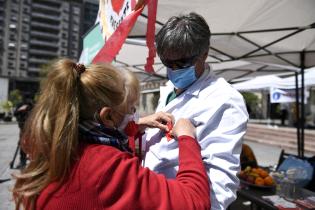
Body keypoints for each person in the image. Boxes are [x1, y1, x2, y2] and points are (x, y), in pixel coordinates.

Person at [12, 59, 210, 210]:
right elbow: (194, 202)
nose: (135, 115)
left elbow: (111, 134)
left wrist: (138, 125)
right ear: (107, 116)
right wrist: (187, 138)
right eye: (131, 109)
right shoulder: (107, 167)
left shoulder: (54, 146)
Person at [143, 12, 249, 210]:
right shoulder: (168, 88)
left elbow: (220, 185)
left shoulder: (224, 99)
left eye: (181, 63)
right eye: (167, 63)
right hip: (152, 194)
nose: (174, 70)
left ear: (205, 54)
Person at [13, 97, 33, 169]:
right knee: (22, 144)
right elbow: (15, 114)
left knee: (32, 144)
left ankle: (32, 161)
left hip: (31, 128)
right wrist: (20, 110)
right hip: (23, 128)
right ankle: (22, 161)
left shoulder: (32, 105)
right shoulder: (20, 105)